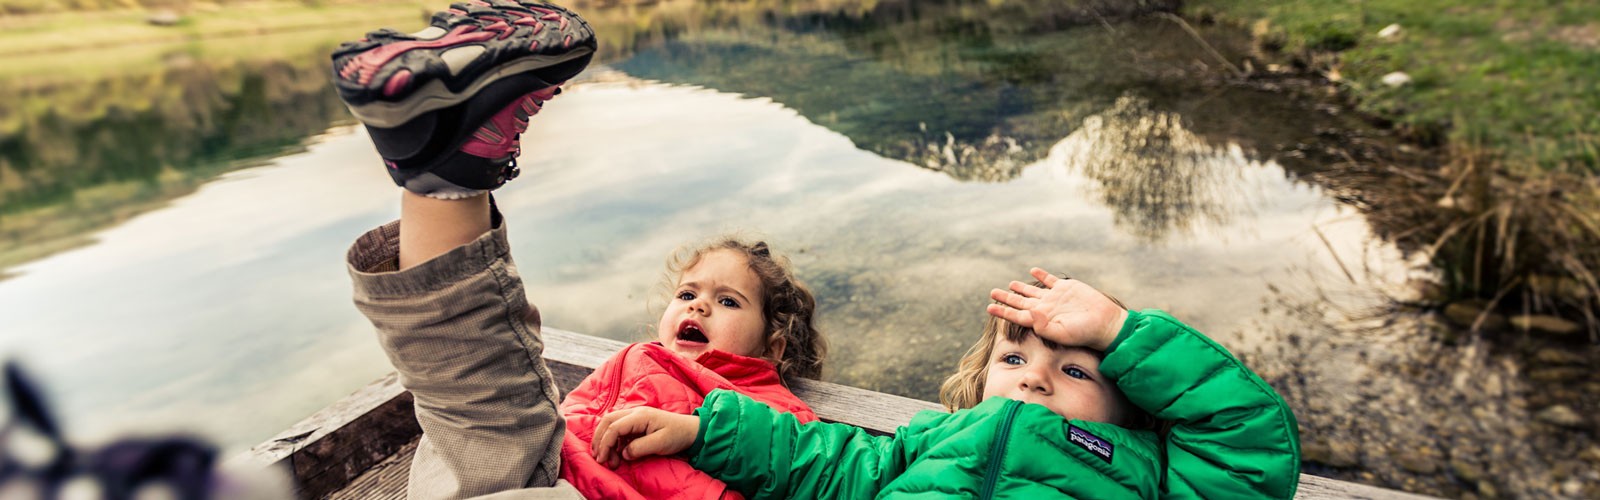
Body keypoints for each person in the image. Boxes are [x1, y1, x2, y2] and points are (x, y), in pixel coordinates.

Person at [333, 1, 825, 498]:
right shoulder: (635, 359)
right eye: (687, 294)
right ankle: (442, 168)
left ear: (773, 347)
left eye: (727, 301)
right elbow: (561, 426)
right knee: (483, 408)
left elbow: (800, 469)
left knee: (480, 415)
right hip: (540, 479)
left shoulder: (769, 412)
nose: (697, 304)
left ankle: (443, 157)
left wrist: (698, 434)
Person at [590, 268, 1303, 499]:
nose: (1035, 381)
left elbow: (1247, 437)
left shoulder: (1153, 473)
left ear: (1132, 405)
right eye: (1014, 360)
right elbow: (832, 464)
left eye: (1076, 368)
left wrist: (1121, 332)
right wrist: (705, 428)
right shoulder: (939, 435)